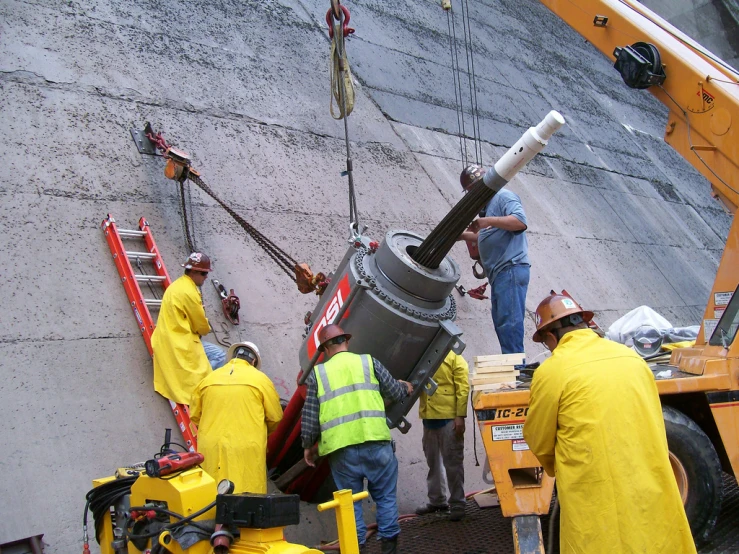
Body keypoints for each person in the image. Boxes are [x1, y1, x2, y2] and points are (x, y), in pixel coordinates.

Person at [522, 293, 696, 553]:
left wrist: (559, 467)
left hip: (594, 490)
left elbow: (539, 439)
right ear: (583, 323)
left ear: (550, 337)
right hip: (646, 480)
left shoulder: (552, 371)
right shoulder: (633, 359)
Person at [301, 324, 413, 554]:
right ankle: (389, 548)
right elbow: (393, 391)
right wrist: (405, 387)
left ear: (325, 349)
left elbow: (311, 416)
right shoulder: (368, 362)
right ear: (346, 342)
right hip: (377, 442)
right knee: (385, 497)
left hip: (342, 452)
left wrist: (308, 446)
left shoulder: (318, 374)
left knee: (349, 504)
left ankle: (356, 548)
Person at [190, 341, 283, 494]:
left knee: (211, 493)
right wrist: (262, 433)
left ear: (233, 356)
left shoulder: (208, 379)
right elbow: (276, 417)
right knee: (246, 493)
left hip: (210, 445)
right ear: (253, 361)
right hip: (246, 445)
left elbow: (194, 415)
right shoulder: (260, 380)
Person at [458, 165, 529, 354]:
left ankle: (517, 368)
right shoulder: (489, 207)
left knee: (509, 320)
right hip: (500, 272)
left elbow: (520, 222)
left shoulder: (503, 197)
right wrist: (464, 235)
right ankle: (512, 363)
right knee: (501, 322)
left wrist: (488, 221)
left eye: (472, 191)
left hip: (510, 268)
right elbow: (488, 236)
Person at [151, 252, 225, 406]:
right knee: (220, 355)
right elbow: (201, 327)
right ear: (193, 272)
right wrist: (204, 327)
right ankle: (202, 390)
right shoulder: (189, 292)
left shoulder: (177, 285)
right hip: (179, 343)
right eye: (204, 273)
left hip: (165, 339)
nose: (206, 277)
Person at [415, 351, 469, 522]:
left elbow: (463, 386)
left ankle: (458, 503)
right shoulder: (423, 354)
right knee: (434, 464)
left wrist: (460, 415)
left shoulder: (454, 358)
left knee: (453, 464)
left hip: (448, 420)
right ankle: (437, 501)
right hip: (429, 419)